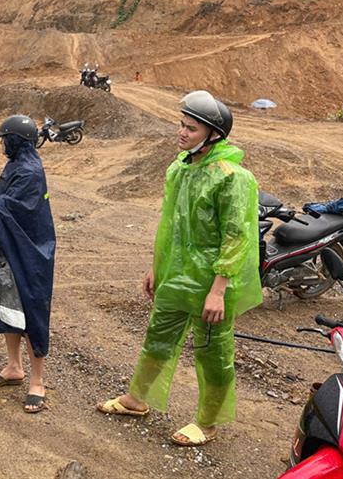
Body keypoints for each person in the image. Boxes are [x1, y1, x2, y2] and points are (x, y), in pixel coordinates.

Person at [97, 90, 260, 447]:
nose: (182, 133)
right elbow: (170, 226)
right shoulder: (179, 169)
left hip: (213, 281)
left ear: (213, 134)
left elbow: (237, 236)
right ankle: (136, 400)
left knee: (213, 350)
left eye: (191, 128)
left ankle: (208, 421)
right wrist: (157, 268)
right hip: (177, 275)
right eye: (181, 125)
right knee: (157, 337)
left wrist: (218, 290)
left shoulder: (232, 177)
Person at [0, 115, 56, 414]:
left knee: (31, 312)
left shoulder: (29, 171)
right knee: (9, 307)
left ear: (15, 141)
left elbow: (4, 213)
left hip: (30, 253)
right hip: (9, 249)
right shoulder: (15, 164)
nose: (1, 143)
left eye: (4, 138)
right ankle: (14, 368)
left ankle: (37, 382)